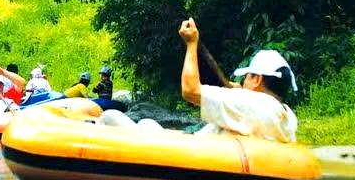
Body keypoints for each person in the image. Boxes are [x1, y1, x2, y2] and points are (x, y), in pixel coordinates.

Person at [100, 19, 298, 143]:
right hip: (202, 149)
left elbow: (190, 90)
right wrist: (238, 91)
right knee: (146, 122)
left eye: (246, 77)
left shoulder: (249, 102)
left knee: (109, 116)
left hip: (184, 157)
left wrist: (192, 43)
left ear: (257, 80)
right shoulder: (286, 117)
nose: (242, 82)